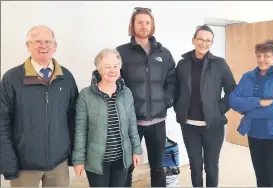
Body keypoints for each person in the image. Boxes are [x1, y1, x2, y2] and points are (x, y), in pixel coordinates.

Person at [0, 25, 79, 187]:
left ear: (55, 46)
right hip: (24, 165)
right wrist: (8, 162)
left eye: (48, 41)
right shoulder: (11, 79)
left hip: (59, 164)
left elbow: (74, 120)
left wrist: (75, 155)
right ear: (28, 46)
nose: (43, 46)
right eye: (37, 41)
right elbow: (2, 123)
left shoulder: (66, 77)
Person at [116, 7, 176, 187]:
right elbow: (114, 82)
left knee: (158, 167)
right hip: (131, 121)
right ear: (132, 25)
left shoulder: (163, 53)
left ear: (152, 26)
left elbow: (172, 81)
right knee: (127, 167)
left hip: (158, 121)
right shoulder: (121, 52)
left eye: (147, 22)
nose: (144, 26)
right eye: (140, 22)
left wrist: (167, 101)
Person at [174, 25, 236, 187]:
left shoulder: (220, 64)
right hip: (189, 126)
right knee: (195, 165)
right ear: (194, 40)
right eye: (200, 39)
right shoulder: (182, 64)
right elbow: (175, 90)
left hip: (213, 125)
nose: (203, 43)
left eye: (208, 40)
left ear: (211, 43)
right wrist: (179, 108)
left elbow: (232, 90)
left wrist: (219, 109)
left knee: (211, 165)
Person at [72, 48, 142, 187]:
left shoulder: (126, 93)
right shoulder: (86, 95)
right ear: (98, 69)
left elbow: (132, 124)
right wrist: (78, 160)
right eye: (107, 66)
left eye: (115, 66)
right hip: (97, 162)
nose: (112, 70)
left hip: (121, 160)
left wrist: (137, 150)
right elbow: (80, 130)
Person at [229, 39, 273, 187]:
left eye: (266, 56)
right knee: (261, 178)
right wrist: (259, 102)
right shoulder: (248, 76)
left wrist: (250, 113)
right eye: (259, 55)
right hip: (255, 133)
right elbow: (233, 101)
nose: (261, 59)